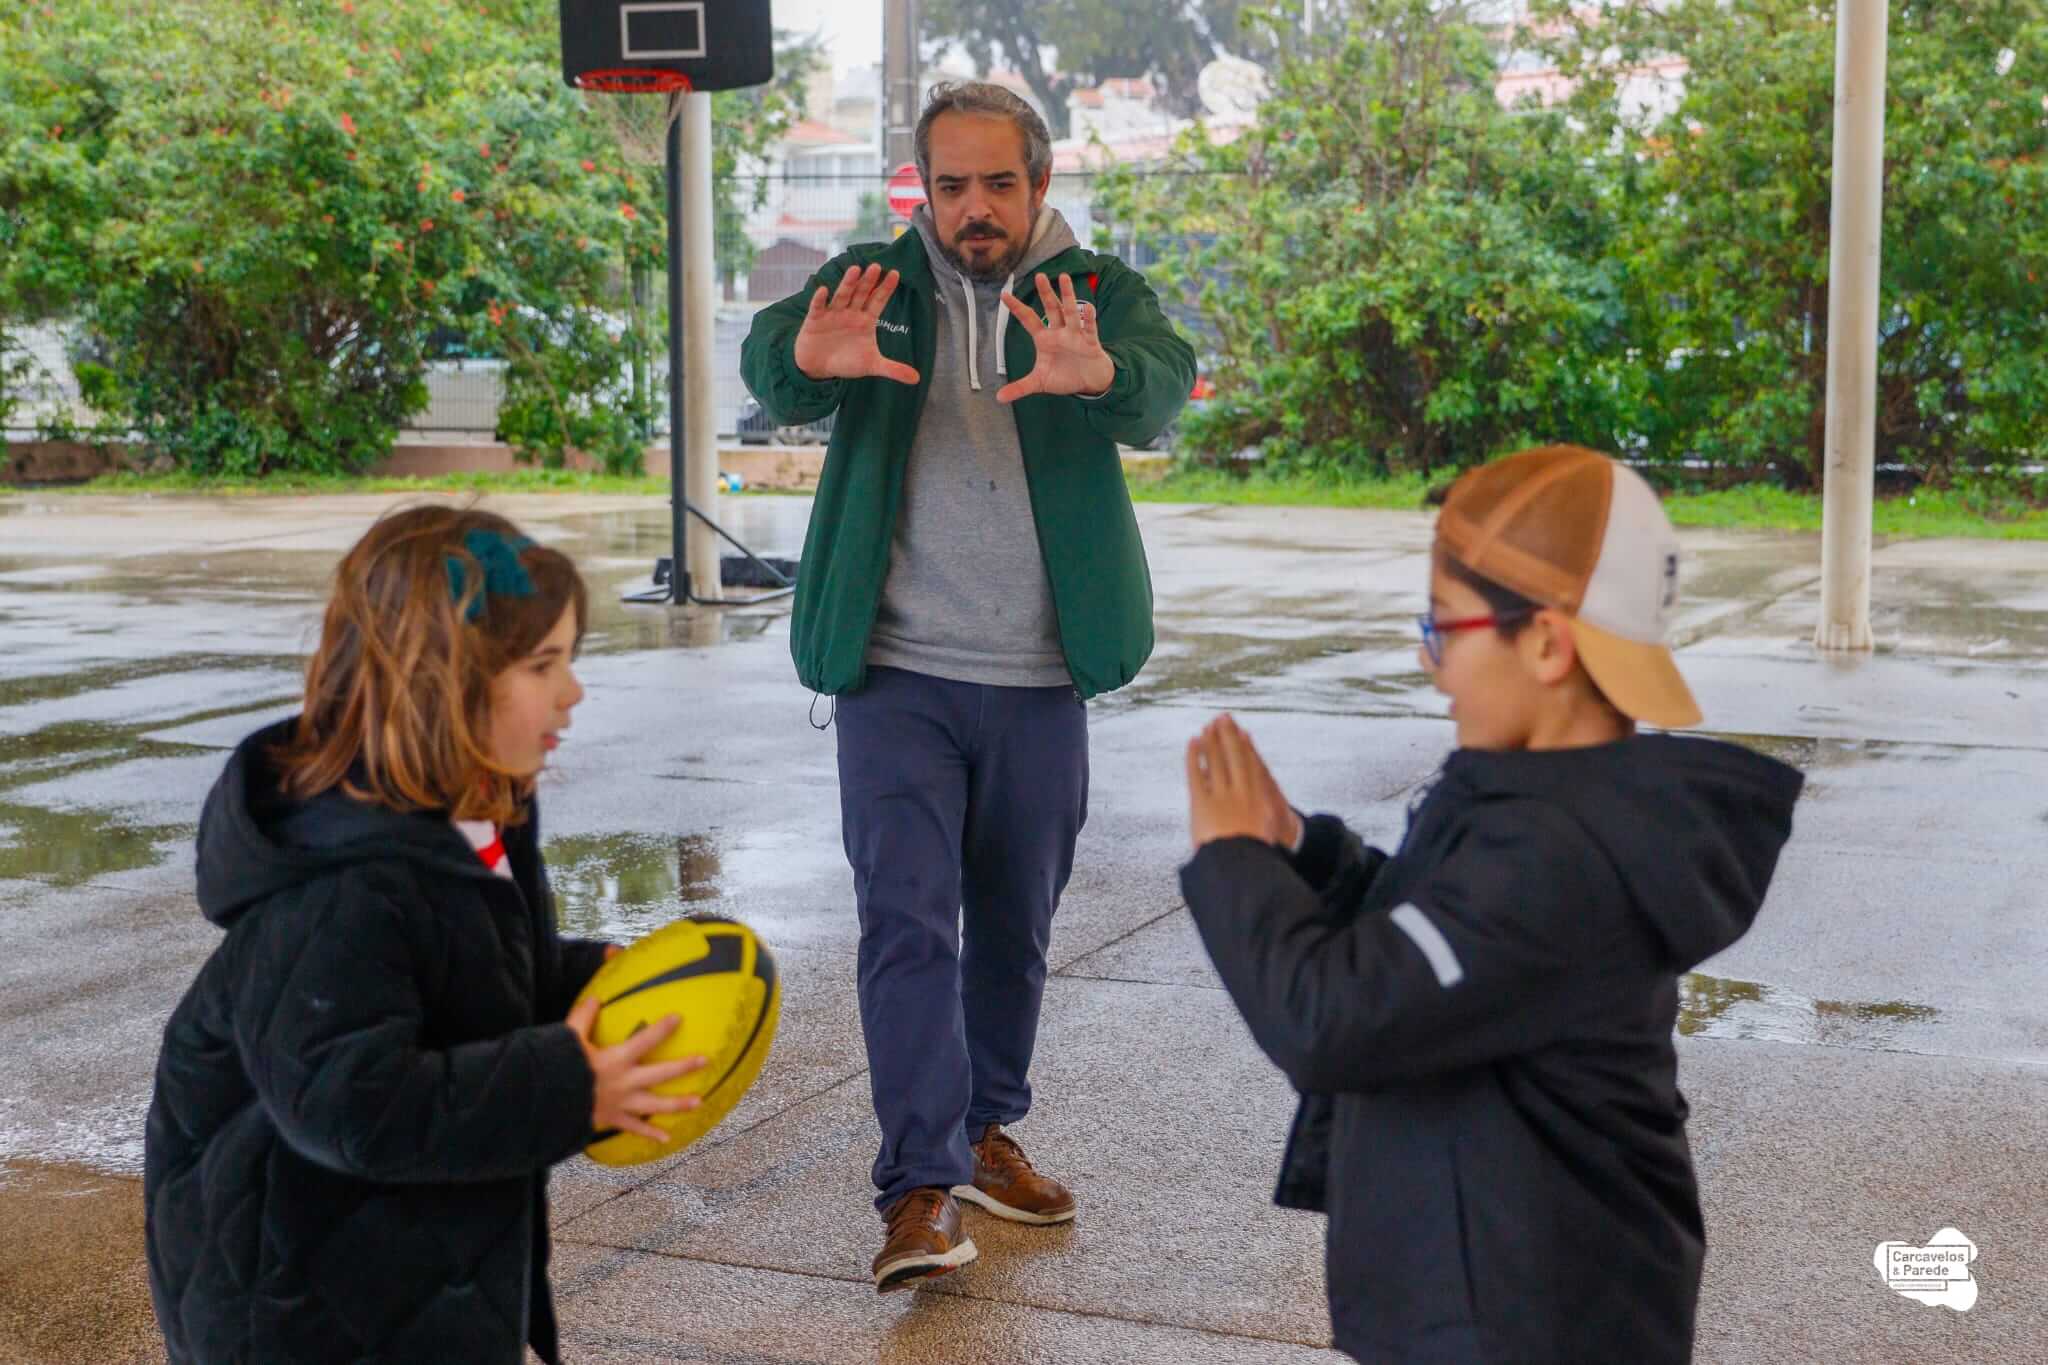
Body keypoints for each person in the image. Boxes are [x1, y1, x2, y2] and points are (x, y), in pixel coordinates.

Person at [1179, 445, 1805, 1363]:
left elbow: (1339, 1018)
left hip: (1527, 1323)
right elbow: (1434, 942)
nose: (1435, 669)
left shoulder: (1561, 855)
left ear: (1548, 642)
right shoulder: (1543, 805)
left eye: (1444, 629)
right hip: (1505, 1302)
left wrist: (1233, 860)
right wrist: (1305, 854)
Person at [740, 80, 1195, 1292]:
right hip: (893, 673)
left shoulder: (1093, 293)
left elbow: (1161, 384)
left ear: (1038, 184)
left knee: (1012, 930)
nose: (974, 209)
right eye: (951, 186)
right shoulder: (871, 286)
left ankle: (986, 1130)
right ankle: (918, 1188)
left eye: (998, 184)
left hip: (1042, 675)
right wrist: (798, 351)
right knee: (903, 922)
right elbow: (774, 362)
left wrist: (1097, 374)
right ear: (922, 191)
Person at [143, 506, 703, 1364]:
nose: (573, 691)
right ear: (443, 686)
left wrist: (578, 976)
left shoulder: (472, 816)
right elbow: (350, 1102)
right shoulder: (341, 886)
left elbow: (454, 974)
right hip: (296, 1308)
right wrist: (563, 1088)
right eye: (543, 664)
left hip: (399, 1278)